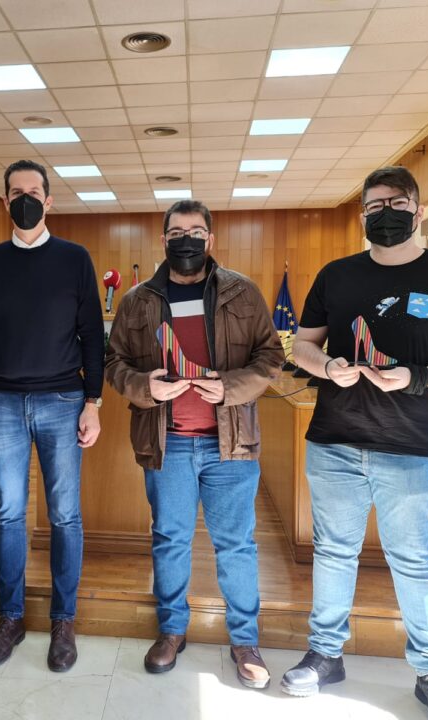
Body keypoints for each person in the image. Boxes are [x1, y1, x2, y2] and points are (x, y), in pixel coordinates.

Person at [280, 167, 428, 720]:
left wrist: (417, 377)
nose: (385, 213)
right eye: (374, 206)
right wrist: (327, 366)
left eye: (397, 203)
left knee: (414, 561)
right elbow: (302, 346)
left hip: (414, 447)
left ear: (418, 211)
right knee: (333, 552)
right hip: (335, 441)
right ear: (362, 216)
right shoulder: (336, 275)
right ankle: (325, 655)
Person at [104, 199, 284, 688]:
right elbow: (114, 362)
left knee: (236, 545)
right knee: (169, 540)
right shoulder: (137, 300)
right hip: (168, 444)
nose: (188, 239)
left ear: (211, 239)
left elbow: (271, 356)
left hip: (230, 445)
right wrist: (144, 387)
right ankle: (171, 630)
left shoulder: (242, 292)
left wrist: (230, 387)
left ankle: (245, 640)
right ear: (164, 240)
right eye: (178, 232)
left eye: (197, 232)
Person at [0, 159, 104, 672]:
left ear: (49, 200)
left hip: (63, 402)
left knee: (65, 515)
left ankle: (63, 620)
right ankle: (11, 618)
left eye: (34, 192)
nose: (25, 199)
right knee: (8, 514)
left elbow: (93, 334)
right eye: (16, 192)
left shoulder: (74, 258)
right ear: (5, 201)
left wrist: (93, 403)